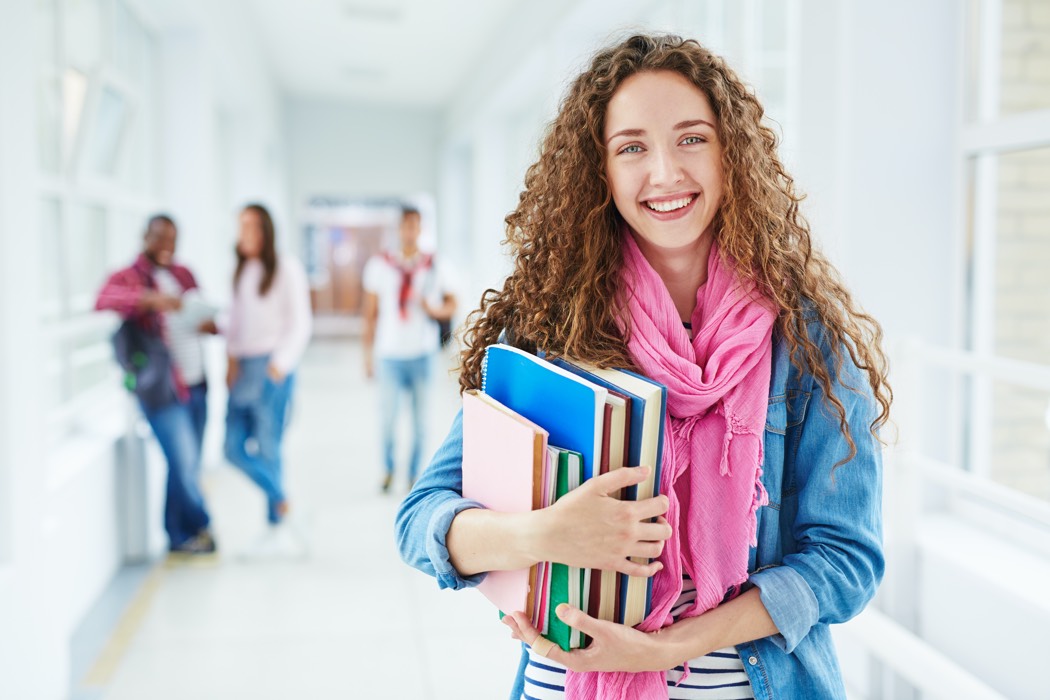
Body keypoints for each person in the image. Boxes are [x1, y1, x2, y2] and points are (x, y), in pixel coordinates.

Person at [396, 34, 892, 700]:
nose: (665, 173)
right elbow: (423, 520)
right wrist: (544, 533)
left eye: (692, 139)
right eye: (632, 147)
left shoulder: (806, 342)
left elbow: (846, 560)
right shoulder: (549, 327)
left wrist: (665, 648)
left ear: (731, 154)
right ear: (598, 171)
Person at [96, 214, 218, 555]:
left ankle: (178, 536)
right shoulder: (131, 277)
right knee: (183, 462)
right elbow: (103, 299)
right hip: (161, 390)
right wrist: (151, 300)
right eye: (160, 238)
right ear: (145, 237)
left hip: (196, 383)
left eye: (173, 240)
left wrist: (206, 321)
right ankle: (203, 524)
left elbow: (205, 322)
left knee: (185, 465)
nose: (166, 246)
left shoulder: (183, 274)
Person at [223, 203, 312, 556]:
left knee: (268, 445)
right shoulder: (239, 269)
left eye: (251, 227)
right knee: (231, 448)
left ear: (266, 232)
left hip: (272, 367)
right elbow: (234, 320)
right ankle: (282, 499)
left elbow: (300, 322)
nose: (244, 234)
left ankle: (275, 527)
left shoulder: (285, 268)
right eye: (240, 226)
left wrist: (280, 363)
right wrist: (230, 358)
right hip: (241, 368)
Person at [363, 205, 457, 493]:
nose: (409, 231)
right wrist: (365, 354)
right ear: (399, 229)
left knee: (420, 421)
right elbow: (370, 312)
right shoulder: (380, 265)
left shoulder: (435, 265)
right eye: (405, 225)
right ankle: (389, 468)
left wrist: (434, 308)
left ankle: (414, 472)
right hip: (389, 353)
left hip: (422, 353)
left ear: (420, 229)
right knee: (388, 419)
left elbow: (453, 303)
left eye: (415, 225)